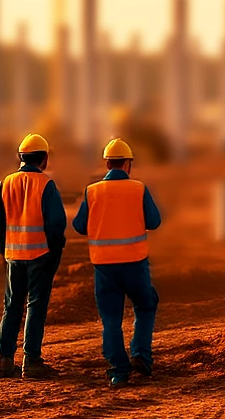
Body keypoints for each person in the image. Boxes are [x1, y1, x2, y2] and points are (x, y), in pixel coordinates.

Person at [70, 137, 163, 389]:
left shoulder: (92, 191)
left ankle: (118, 372)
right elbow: (154, 222)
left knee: (111, 319)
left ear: (107, 163)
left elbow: (79, 226)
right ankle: (141, 356)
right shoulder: (138, 189)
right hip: (134, 262)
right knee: (145, 305)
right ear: (128, 164)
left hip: (104, 267)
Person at [0, 133, 68, 379]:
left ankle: (4, 361)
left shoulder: (5, 183)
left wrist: (5, 250)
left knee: (12, 306)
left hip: (14, 256)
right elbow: (56, 225)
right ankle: (31, 360)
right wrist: (55, 250)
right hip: (40, 254)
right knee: (35, 305)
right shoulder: (46, 185)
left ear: (20, 157)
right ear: (43, 159)